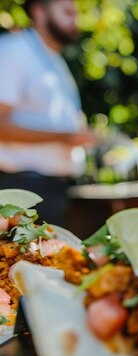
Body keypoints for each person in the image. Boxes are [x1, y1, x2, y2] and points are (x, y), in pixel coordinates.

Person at [0, 0, 96, 225]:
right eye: (67, 12)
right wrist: (64, 137)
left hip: (52, 190)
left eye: (76, 13)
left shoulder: (53, 57)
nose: (76, 20)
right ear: (39, 11)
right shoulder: (15, 50)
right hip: (21, 190)